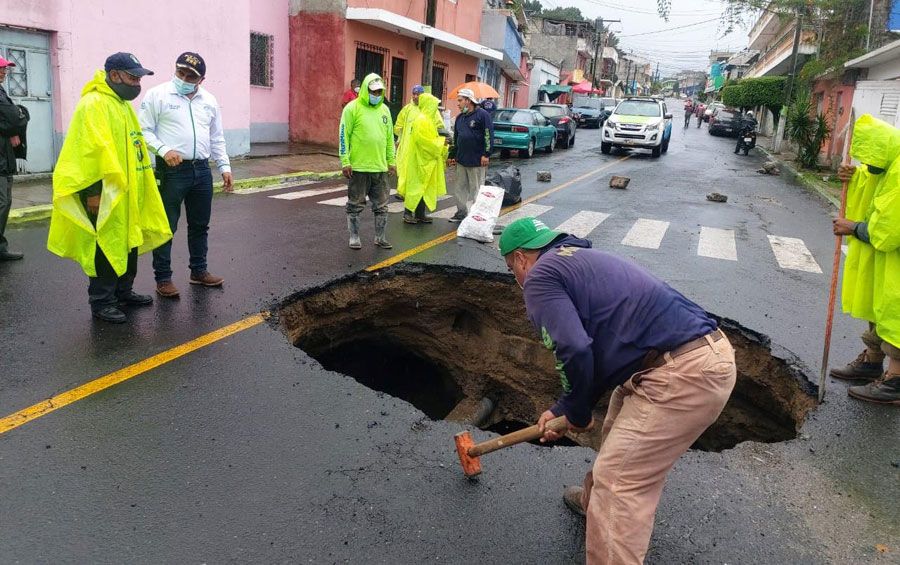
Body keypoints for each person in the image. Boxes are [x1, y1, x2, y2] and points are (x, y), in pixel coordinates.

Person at [499, 217, 736, 563]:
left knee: (619, 483)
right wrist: (566, 408)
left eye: (511, 269)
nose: (516, 279)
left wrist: (577, 412)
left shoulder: (540, 278)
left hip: (682, 372)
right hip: (690, 355)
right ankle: (594, 504)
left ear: (521, 258)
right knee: (617, 420)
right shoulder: (573, 259)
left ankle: (607, 507)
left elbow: (575, 349)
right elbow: (594, 351)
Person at [47, 52, 172, 323]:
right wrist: (93, 194)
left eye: (139, 78)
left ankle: (123, 292)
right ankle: (102, 301)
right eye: (132, 77)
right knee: (105, 245)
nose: (137, 83)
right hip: (102, 193)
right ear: (114, 75)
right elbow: (87, 152)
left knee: (128, 242)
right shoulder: (93, 104)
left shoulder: (122, 105)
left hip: (126, 191)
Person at [139, 52, 232, 298]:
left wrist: (224, 167)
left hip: (201, 170)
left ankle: (198, 271)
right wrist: (163, 149)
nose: (184, 78)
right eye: (181, 72)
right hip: (171, 170)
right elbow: (143, 131)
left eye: (191, 76)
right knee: (165, 227)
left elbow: (216, 137)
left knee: (200, 225)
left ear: (201, 80)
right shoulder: (157, 95)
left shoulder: (209, 101)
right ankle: (163, 278)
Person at [830, 114, 900, 405]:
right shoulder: (889, 165)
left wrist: (853, 227)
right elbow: (873, 192)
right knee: (879, 307)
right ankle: (872, 362)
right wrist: (854, 176)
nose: (866, 165)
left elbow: (889, 229)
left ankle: (895, 382)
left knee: (896, 315)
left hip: (893, 250)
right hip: (888, 260)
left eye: (869, 160)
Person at [339, 73, 396, 250]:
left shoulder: (385, 110)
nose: (376, 95)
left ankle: (380, 237)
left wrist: (391, 161)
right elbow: (343, 135)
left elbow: (389, 139)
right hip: (359, 168)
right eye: (373, 91)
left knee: (382, 206)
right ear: (365, 89)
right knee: (355, 204)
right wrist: (345, 161)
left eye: (380, 92)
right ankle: (354, 236)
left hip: (379, 168)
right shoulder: (352, 108)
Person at [396, 93, 448, 224]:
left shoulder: (428, 120)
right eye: (434, 105)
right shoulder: (422, 120)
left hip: (426, 159)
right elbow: (424, 141)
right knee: (415, 187)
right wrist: (441, 143)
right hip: (419, 159)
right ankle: (407, 213)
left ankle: (420, 214)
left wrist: (441, 142)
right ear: (428, 105)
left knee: (424, 187)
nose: (436, 108)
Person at [447, 88, 493, 223]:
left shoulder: (482, 115)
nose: (458, 104)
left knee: (476, 189)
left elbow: (488, 134)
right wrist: (452, 155)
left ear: (469, 101)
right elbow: (457, 138)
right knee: (460, 188)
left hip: (477, 160)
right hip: (462, 160)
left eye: (460, 101)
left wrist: (486, 154)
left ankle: (476, 216)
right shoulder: (460, 118)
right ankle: (461, 213)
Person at [0, 55, 29, 261]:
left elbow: (11, 119)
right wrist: (20, 115)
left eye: (5, 69)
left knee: (5, 201)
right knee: (2, 202)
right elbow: (14, 117)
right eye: (1, 69)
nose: (4, 72)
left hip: (4, 157)